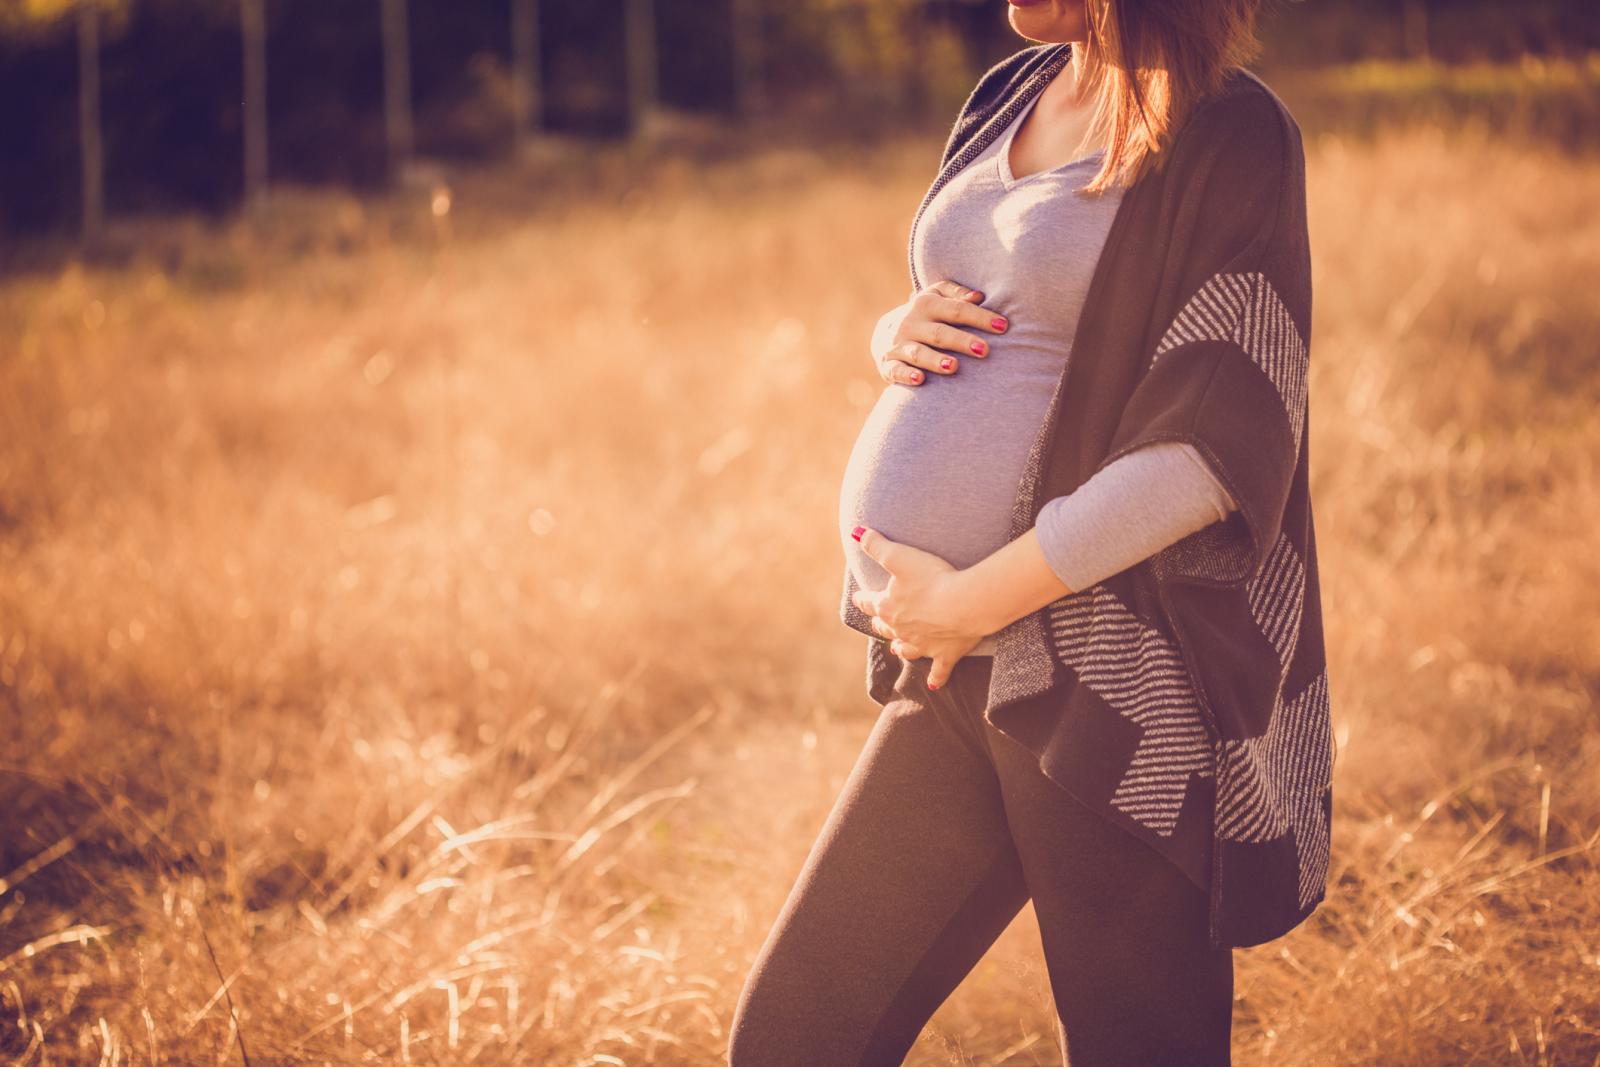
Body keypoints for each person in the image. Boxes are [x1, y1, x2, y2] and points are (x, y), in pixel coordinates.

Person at [729, 0, 1332, 1063]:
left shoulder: (1227, 130)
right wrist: (893, 327)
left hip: (1114, 680)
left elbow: (1215, 442)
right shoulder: (1011, 90)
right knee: (794, 1035)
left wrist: (970, 598)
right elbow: (1006, 302)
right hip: (961, 669)